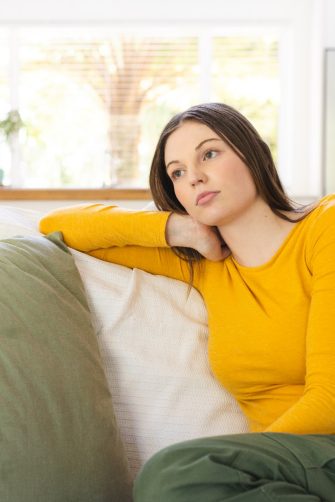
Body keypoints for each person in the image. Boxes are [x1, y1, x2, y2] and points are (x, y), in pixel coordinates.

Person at [39, 103, 335, 501]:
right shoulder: (203, 266)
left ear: (253, 153)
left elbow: (330, 399)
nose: (194, 177)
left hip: (312, 449)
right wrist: (176, 227)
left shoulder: (325, 229)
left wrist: (227, 460)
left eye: (209, 154)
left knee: (175, 474)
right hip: (277, 473)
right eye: (177, 172)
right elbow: (57, 226)